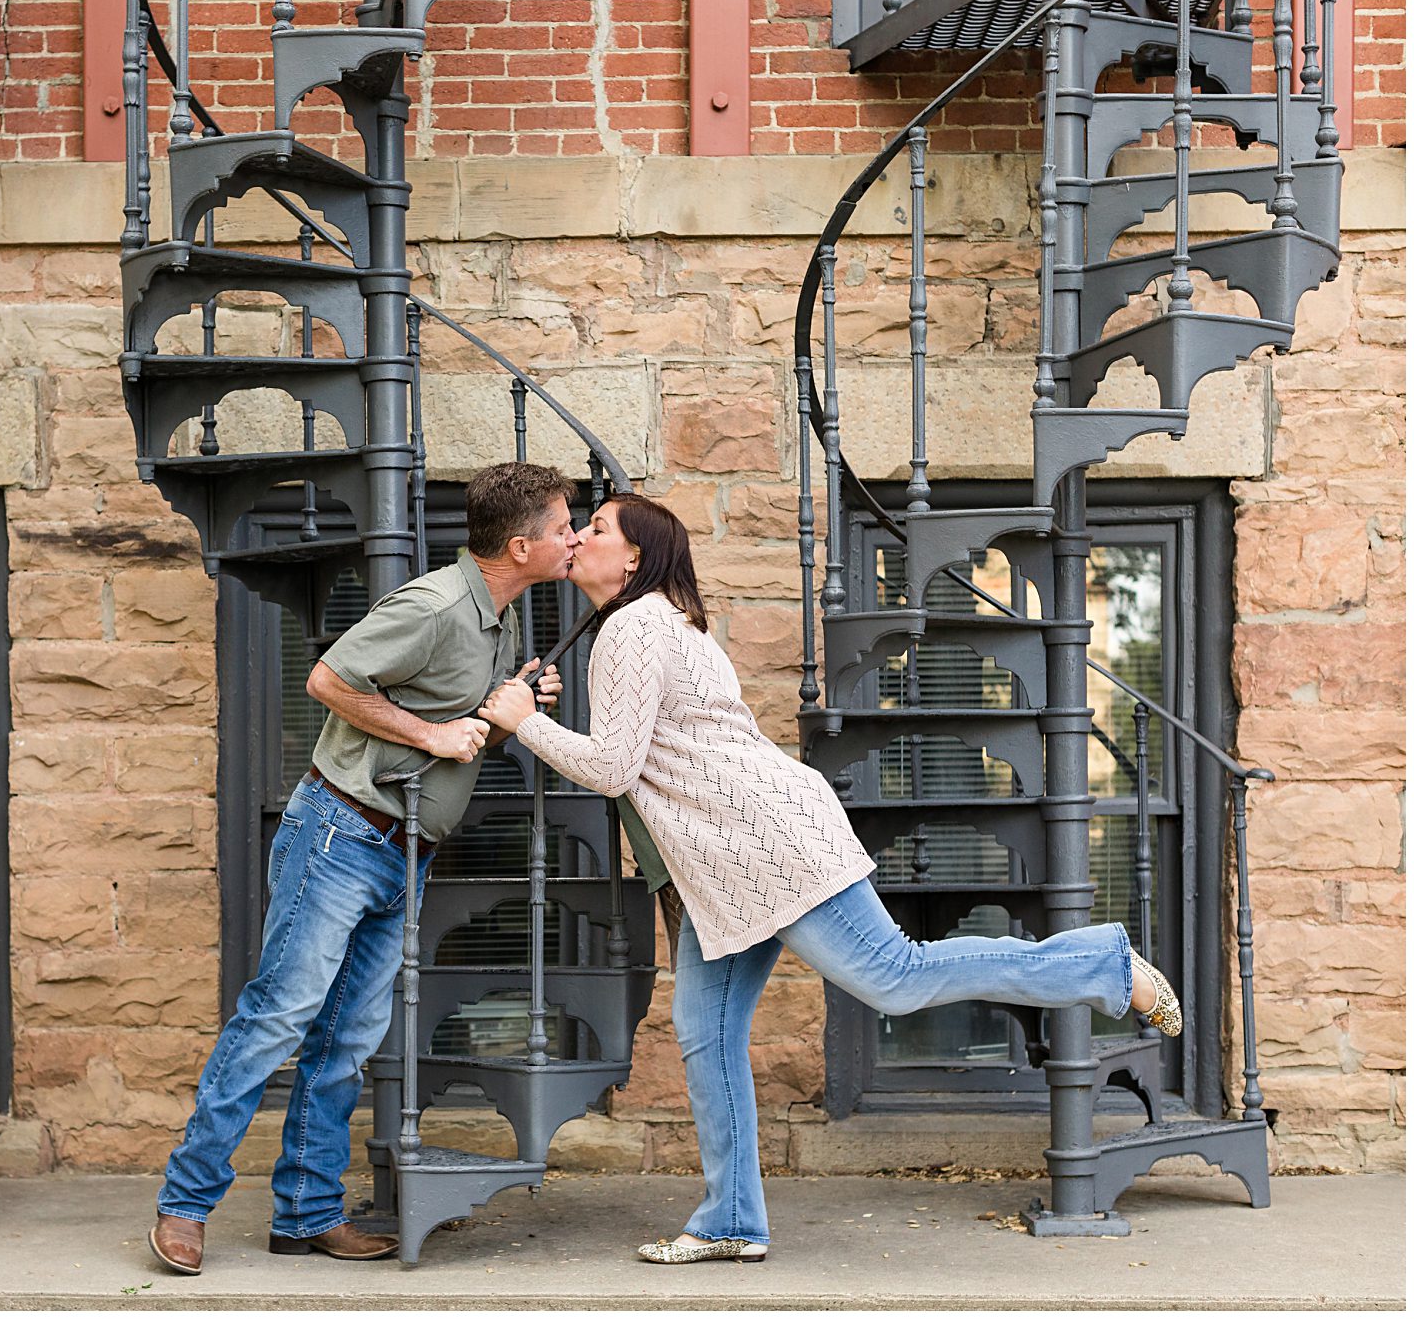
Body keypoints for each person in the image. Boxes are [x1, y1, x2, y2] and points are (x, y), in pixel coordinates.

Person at [477, 491, 1181, 1265]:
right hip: (729, 869)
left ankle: (1101, 963)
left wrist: (523, 721)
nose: (578, 537)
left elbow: (613, 768)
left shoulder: (632, 628)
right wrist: (537, 713)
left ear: (636, 556)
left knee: (896, 976)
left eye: (598, 528)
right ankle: (731, 1219)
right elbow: (650, 752)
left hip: (770, 847)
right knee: (705, 1033)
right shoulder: (652, 625)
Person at [149, 461, 581, 1275]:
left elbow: (450, 713)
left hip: (404, 852)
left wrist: (514, 698)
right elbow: (328, 678)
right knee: (279, 1017)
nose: (576, 539)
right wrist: (431, 737)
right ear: (521, 545)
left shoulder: (501, 618)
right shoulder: (435, 605)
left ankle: (306, 1214)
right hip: (341, 836)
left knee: (347, 1037)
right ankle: (184, 1202)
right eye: (565, 528)